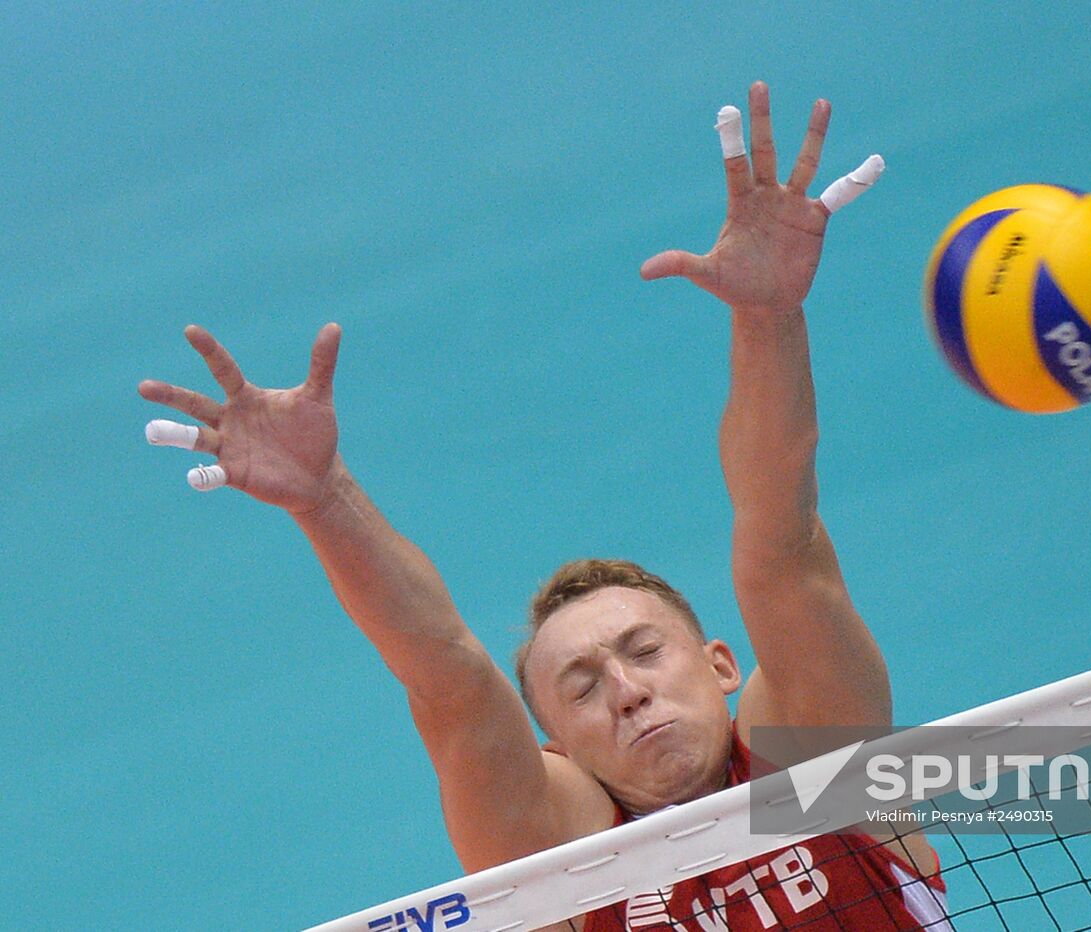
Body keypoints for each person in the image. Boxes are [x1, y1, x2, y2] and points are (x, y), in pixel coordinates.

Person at [141, 82, 947, 930]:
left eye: (644, 651)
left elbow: (781, 538)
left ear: (720, 665)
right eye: (583, 687)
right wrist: (325, 500)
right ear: (559, 751)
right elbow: (448, 678)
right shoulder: (565, 879)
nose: (628, 691)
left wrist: (769, 316)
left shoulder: (818, 764)